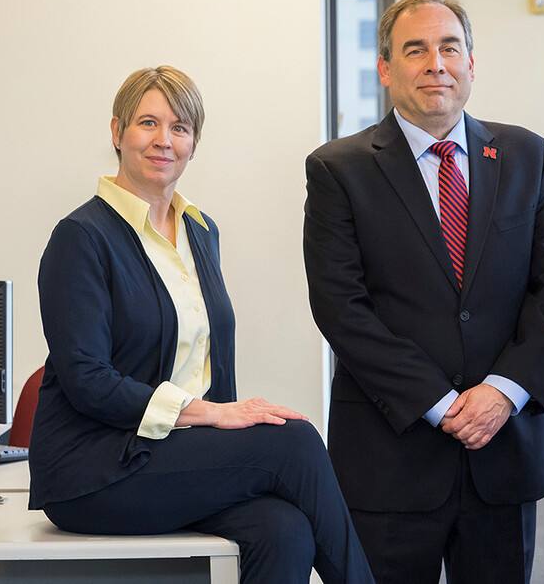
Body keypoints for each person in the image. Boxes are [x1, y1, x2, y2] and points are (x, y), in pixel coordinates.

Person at [30, 65, 375, 584]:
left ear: (194, 142)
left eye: (180, 127)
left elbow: (211, 358)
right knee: (295, 442)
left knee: (285, 530)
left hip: (170, 456)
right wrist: (212, 416)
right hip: (93, 469)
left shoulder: (200, 230)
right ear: (117, 131)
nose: (163, 140)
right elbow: (86, 380)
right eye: (148, 123)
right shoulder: (81, 237)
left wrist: (226, 422)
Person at [303, 0, 544, 584]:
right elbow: (340, 307)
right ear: (385, 68)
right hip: (390, 453)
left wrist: (502, 392)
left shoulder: (527, 154)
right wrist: (440, 402)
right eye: (415, 49)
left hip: (503, 447)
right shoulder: (338, 170)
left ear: (471, 63)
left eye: (449, 47)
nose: (436, 63)